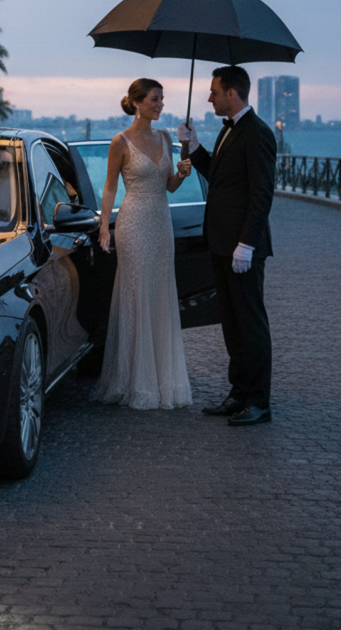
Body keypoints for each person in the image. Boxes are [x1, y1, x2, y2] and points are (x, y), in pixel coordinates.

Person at [179, 65, 276, 426]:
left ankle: (258, 402)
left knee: (250, 323)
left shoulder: (258, 133)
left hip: (242, 247)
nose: (209, 97)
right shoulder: (227, 131)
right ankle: (238, 393)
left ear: (232, 92)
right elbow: (218, 176)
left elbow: (262, 194)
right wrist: (195, 145)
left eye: (214, 91)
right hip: (220, 243)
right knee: (231, 323)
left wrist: (247, 244)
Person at [95, 78, 193, 409]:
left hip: (160, 223)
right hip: (133, 223)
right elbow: (109, 188)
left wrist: (181, 173)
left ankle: (162, 379)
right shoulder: (119, 142)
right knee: (136, 295)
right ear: (137, 103)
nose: (161, 104)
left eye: (162, 99)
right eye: (155, 99)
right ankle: (134, 380)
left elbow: (170, 187)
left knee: (160, 294)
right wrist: (104, 227)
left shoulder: (167, 138)